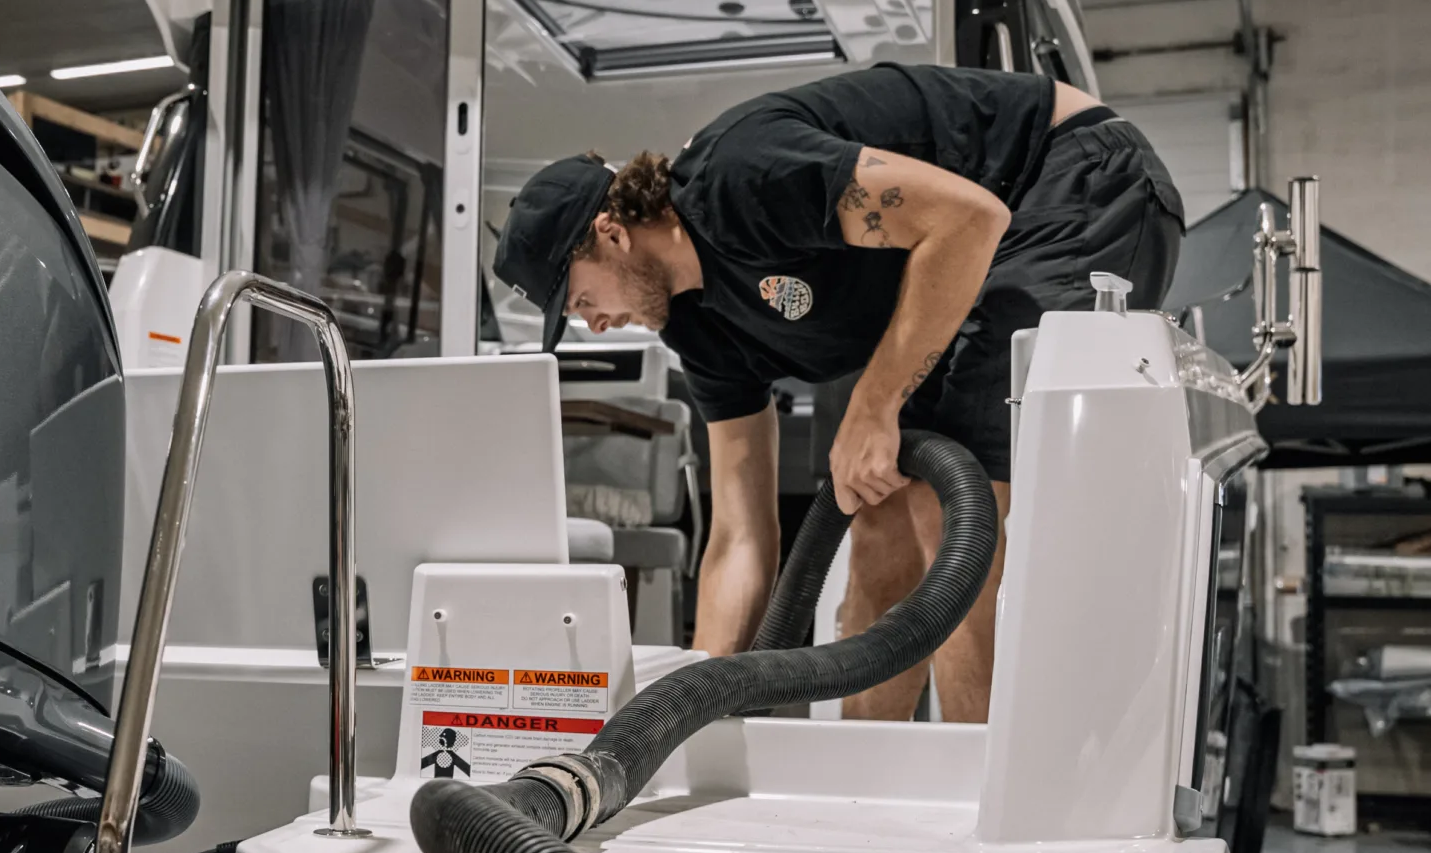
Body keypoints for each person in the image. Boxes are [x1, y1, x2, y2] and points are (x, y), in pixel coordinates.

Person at [491, 63, 1183, 721]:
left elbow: (970, 219)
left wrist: (874, 404)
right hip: (992, 236)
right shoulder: (698, 328)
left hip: (1072, 175)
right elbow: (738, 536)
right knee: (878, 506)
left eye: (581, 299)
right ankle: (864, 785)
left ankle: (985, 802)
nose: (595, 324)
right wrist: (689, 712)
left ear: (611, 233)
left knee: (952, 508)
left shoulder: (740, 177)